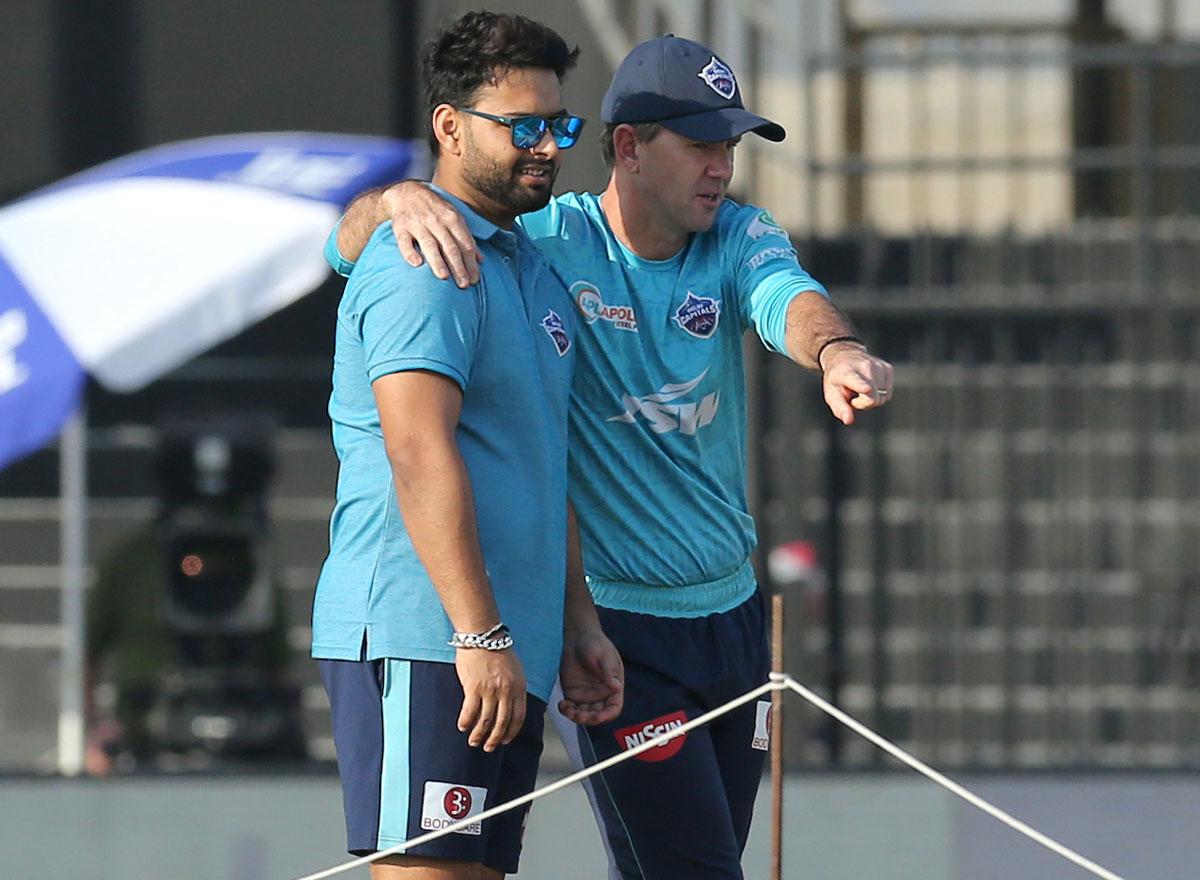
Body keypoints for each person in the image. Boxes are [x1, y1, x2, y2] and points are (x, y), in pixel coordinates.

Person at [329, 32, 893, 880]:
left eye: (729, 146)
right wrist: (395, 200)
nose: (720, 167)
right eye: (700, 143)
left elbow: (789, 300)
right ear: (629, 147)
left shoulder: (732, 236)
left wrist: (839, 350)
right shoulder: (540, 241)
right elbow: (350, 258)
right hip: (606, 628)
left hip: (721, 617)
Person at [311, 12, 622, 880]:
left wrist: (576, 622)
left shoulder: (529, 264)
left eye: (559, 126)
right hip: (427, 633)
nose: (548, 147)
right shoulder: (422, 255)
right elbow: (418, 451)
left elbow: (539, 460)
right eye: (522, 126)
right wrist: (478, 632)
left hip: (498, 644)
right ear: (449, 127)